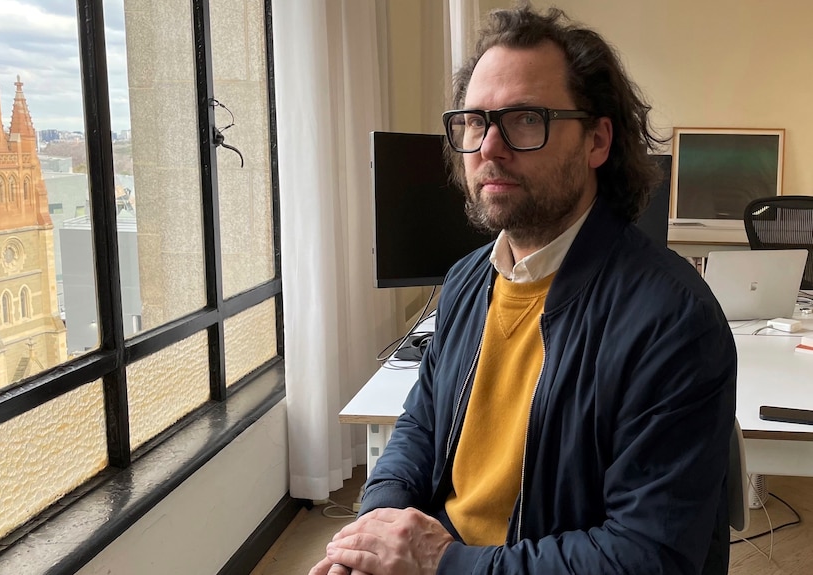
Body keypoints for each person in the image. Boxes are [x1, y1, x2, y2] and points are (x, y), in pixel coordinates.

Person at [310, 3, 737, 574]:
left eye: (526, 119)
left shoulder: (672, 320)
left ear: (597, 142)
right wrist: (377, 530)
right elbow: (420, 424)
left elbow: (646, 557)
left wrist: (442, 561)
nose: (489, 146)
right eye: (476, 121)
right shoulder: (466, 281)